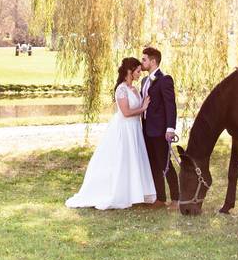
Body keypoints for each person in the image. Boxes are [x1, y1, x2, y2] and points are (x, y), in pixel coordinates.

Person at [66, 57, 156, 209]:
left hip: (135, 129)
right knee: (122, 160)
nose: (140, 74)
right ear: (130, 71)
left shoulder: (134, 88)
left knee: (133, 160)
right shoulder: (121, 89)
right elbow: (126, 112)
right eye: (138, 71)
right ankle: (118, 192)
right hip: (124, 129)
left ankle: (134, 192)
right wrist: (143, 108)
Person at [140, 46, 180, 209]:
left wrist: (170, 128)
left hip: (160, 130)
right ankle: (160, 198)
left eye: (144, 59)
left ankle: (177, 199)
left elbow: (170, 105)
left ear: (153, 61)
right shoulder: (144, 81)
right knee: (154, 164)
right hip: (146, 130)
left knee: (166, 164)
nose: (142, 62)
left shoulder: (165, 80)